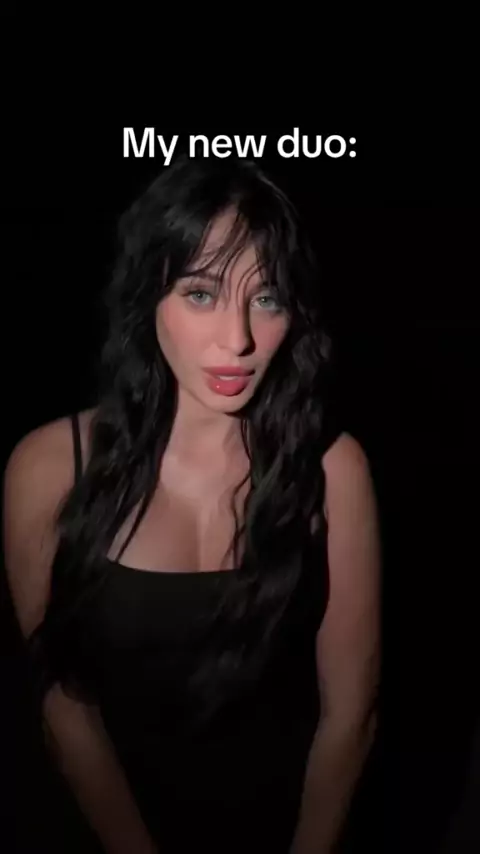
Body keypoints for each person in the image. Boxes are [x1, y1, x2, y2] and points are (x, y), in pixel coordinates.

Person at [3, 155, 381, 854]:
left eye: (267, 299)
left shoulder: (333, 468)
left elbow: (350, 716)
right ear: (147, 294)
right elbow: (63, 704)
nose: (237, 341)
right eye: (201, 293)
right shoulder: (50, 468)